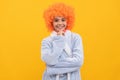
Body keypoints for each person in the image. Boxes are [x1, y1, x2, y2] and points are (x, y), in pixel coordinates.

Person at [41, 3, 84, 80]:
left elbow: (78, 62)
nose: (60, 23)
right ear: (51, 22)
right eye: (56, 20)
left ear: (68, 21)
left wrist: (51, 68)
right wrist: (59, 40)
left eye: (63, 20)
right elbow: (49, 60)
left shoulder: (75, 38)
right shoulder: (46, 41)